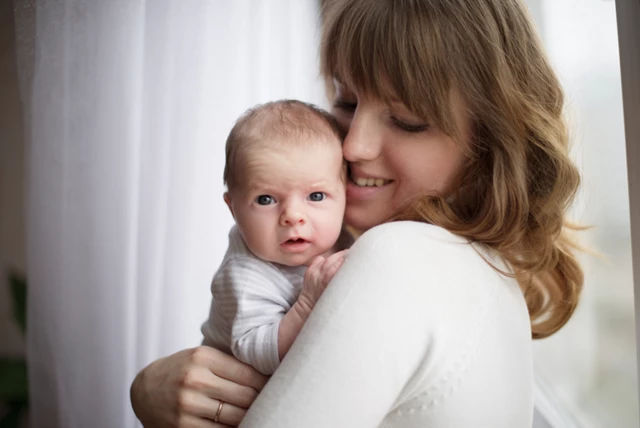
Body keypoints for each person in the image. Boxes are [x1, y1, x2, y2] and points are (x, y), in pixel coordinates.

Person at [130, 0, 583, 426]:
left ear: (489, 143)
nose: (353, 145)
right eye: (346, 103)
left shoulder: (397, 255)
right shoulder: (475, 263)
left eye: (407, 120)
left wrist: (144, 396)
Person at [202, 99, 350, 376]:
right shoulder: (246, 277)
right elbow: (261, 355)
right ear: (232, 208)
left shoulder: (347, 235)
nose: (293, 216)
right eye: (266, 199)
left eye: (315, 196)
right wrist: (306, 305)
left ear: (345, 196)